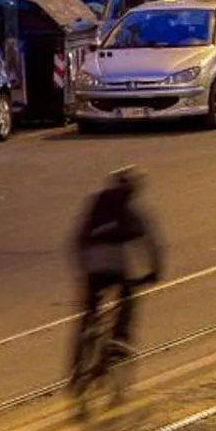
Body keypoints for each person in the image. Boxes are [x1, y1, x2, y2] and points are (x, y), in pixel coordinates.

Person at [71, 166, 163, 389]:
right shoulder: (130, 212)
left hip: (92, 264)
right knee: (128, 296)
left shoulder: (96, 205)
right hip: (113, 266)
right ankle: (118, 340)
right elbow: (150, 245)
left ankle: (77, 367)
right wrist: (153, 272)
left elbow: (78, 239)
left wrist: (82, 267)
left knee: (89, 312)